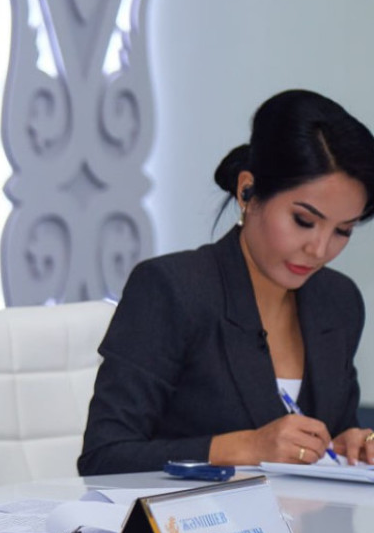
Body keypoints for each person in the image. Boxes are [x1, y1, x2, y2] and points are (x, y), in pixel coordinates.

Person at [79, 89, 374, 475]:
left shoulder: (339, 300)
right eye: (303, 221)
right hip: (189, 514)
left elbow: (325, 439)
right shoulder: (172, 289)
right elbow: (104, 457)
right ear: (247, 191)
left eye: (343, 230)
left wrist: (347, 445)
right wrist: (245, 447)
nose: (319, 249)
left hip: (313, 515)